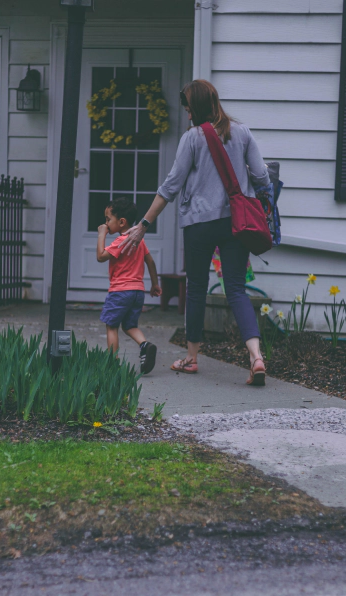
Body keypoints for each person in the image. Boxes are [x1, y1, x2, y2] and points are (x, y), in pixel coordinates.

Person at [119, 79, 270, 386]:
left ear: (198, 107)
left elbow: (171, 187)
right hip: (235, 223)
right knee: (236, 289)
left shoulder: (192, 139)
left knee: (197, 288)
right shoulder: (242, 133)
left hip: (199, 224)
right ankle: (255, 356)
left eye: (188, 107)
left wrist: (143, 225)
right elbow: (262, 176)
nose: (187, 114)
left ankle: (191, 358)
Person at [97, 196, 161, 374]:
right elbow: (150, 261)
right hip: (137, 292)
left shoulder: (120, 241)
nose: (106, 223)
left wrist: (101, 234)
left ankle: (112, 362)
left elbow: (101, 256)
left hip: (120, 291)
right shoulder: (138, 239)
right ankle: (145, 345)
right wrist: (155, 284)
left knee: (111, 326)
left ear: (122, 222)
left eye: (108, 219)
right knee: (129, 326)